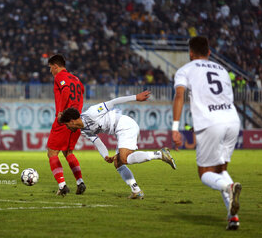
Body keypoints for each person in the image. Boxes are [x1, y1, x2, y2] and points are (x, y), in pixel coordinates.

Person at [172, 36, 242, 230]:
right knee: (221, 170)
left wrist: (175, 128)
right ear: (209, 52)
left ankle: (228, 187)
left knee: (205, 173)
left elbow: (179, 95)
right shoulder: (222, 70)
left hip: (210, 122)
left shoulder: (185, 70)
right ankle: (233, 217)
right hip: (232, 120)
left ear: (191, 53)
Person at [59, 90, 176, 199]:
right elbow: (97, 142)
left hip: (124, 124)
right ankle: (136, 191)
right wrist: (105, 155)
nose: (68, 128)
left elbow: (114, 102)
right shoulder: (84, 130)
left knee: (124, 158)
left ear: (72, 121)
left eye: (67, 125)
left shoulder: (91, 113)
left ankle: (160, 154)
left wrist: (136, 97)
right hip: (119, 131)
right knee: (118, 163)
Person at [47, 54, 86, 196]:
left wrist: (62, 112)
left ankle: (62, 185)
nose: (50, 71)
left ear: (56, 66)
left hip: (64, 120)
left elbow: (66, 90)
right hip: (76, 121)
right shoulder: (77, 79)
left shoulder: (60, 77)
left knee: (52, 152)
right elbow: (81, 93)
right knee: (68, 152)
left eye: (50, 68)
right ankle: (80, 181)